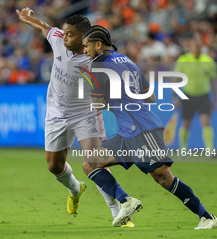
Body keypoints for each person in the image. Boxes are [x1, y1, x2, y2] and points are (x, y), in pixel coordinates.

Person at [81, 25, 217, 229]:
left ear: (98, 45)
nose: (84, 51)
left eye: (86, 46)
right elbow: (150, 96)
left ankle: (207, 216)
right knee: (90, 164)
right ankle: (126, 201)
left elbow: (98, 104)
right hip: (128, 132)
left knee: (163, 177)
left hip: (142, 129)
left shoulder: (99, 64)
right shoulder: (127, 60)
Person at [16, 8, 134, 227]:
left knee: (95, 161)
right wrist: (27, 19)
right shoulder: (59, 39)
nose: (64, 36)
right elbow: (44, 27)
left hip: (85, 114)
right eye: (64, 32)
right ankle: (75, 188)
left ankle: (118, 212)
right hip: (56, 113)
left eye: (70, 34)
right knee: (54, 166)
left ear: (84, 37)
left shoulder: (97, 60)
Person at [173, 39, 216, 152]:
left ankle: (209, 150)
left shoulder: (208, 60)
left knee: (206, 121)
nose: (197, 48)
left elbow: (212, 81)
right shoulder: (184, 60)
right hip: (188, 95)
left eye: (198, 46)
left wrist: (215, 98)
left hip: (204, 95)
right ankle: (183, 148)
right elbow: (175, 79)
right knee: (186, 123)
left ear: (201, 47)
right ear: (190, 47)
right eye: (194, 46)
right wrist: (175, 97)